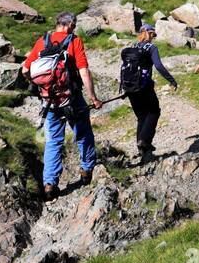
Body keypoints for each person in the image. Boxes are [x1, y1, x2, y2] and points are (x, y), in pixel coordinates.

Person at [22, 11, 103, 200]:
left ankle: (50, 184)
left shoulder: (43, 41)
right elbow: (83, 71)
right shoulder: (74, 41)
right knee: (83, 133)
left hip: (50, 101)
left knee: (53, 142)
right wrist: (93, 97)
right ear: (71, 25)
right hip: (72, 98)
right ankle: (86, 170)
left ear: (57, 23)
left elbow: (25, 69)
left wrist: (40, 86)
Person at [122, 23, 178, 162]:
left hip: (130, 87)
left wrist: (125, 88)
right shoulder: (151, 48)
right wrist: (171, 80)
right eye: (153, 34)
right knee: (154, 111)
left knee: (141, 116)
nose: (153, 37)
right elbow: (158, 65)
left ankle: (143, 151)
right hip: (144, 86)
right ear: (148, 33)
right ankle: (144, 141)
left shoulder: (132, 47)